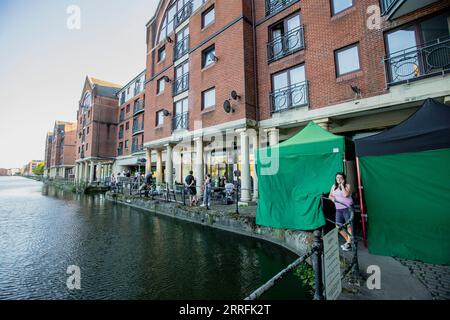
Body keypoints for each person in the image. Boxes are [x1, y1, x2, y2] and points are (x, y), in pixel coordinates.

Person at [329, 172, 354, 251]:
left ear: (343, 178)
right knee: (338, 226)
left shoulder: (348, 186)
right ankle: (348, 241)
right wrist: (332, 198)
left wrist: (342, 185)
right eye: (337, 178)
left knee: (349, 225)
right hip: (338, 209)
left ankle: (349, 243)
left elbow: (346, 195)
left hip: (347, 208)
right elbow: (329, 195)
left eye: (340, 178)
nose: (338, 179)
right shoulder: (333, 186)